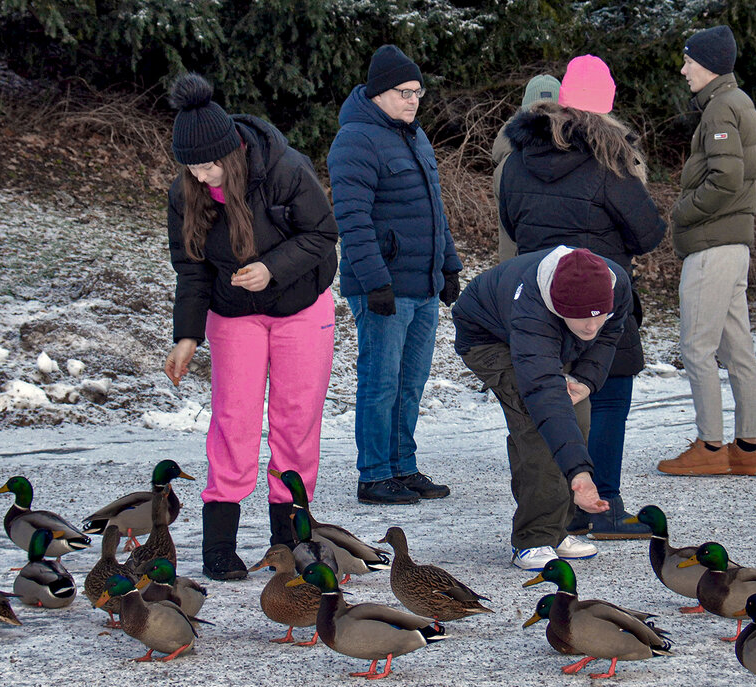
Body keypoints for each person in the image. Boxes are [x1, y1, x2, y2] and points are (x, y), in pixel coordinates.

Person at [162, 73, 338, 581]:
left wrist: (273, 267)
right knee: (234, 422)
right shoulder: (187, 192)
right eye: (191, 167)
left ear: (232, 151)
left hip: (302, 307)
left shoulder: (285, 169)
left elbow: (323, 233)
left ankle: (289, 541)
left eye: (209, 164)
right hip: (232, 313)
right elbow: (191, 268)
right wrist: (187, 336)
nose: (201, 176)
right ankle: (219, 544)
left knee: (295, 422)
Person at [498, 55, 666, 539]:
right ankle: (602, 506)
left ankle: (559, 508)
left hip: (537, 295)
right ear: (607, 107)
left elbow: (512, 225)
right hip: (598, 294)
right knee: (610, 394)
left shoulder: (517, 160)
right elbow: (647, 232)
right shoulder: (611, 162)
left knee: (550, 398)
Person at [328, 44, 463, 506]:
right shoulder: (355, 140)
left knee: (411, 382)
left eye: (418, 92)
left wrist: (449, 266)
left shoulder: (414, 136)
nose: (413, 100)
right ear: (378, 93)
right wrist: (374, 281)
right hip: (385, 289)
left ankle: (403, 465)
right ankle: (375, 474)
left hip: (422, 284)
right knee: (381, 381)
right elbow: (352, 219)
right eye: (404, 92)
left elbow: (433, 211)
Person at [453, 245, 633, 571]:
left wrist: (586, 379)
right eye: (582, 319)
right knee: (536, 424)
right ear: (559, 306)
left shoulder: (615, 283)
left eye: (598, 317)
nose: (592, 328)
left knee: (577, 414)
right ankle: (533, 537)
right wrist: (579, 473)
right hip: (488, 336)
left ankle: (556, 529)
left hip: (546, 336)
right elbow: (543, 393)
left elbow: (609, 336)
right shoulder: (532, 308)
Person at [657, 25, 756, 477]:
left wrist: (681, 213)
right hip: (732, 244)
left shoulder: (721, 109)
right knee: (737, 349)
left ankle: (710, 446)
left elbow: (725, 180)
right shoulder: (738, 103)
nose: (683, 70)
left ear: (710, 64)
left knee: (697, 347)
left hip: (713, 244)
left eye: (689, 61)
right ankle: (747, 448)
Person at [491, 73, 560, 261]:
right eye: (539, 112)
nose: (545, 121)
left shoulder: (505, 165)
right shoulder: (509, 166)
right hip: (523, 268)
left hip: (518, 268)